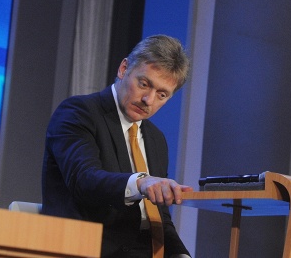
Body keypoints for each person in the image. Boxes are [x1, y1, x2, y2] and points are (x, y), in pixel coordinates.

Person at [42, 35, 193, 258]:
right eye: (144, 84)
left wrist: (181, 255)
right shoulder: (79, 112)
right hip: (87, 249)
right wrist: (141, 182)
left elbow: (158, 217)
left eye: (162, 95)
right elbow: (84, 180)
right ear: (124, 69)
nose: (148, 100)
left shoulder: (155, 139)